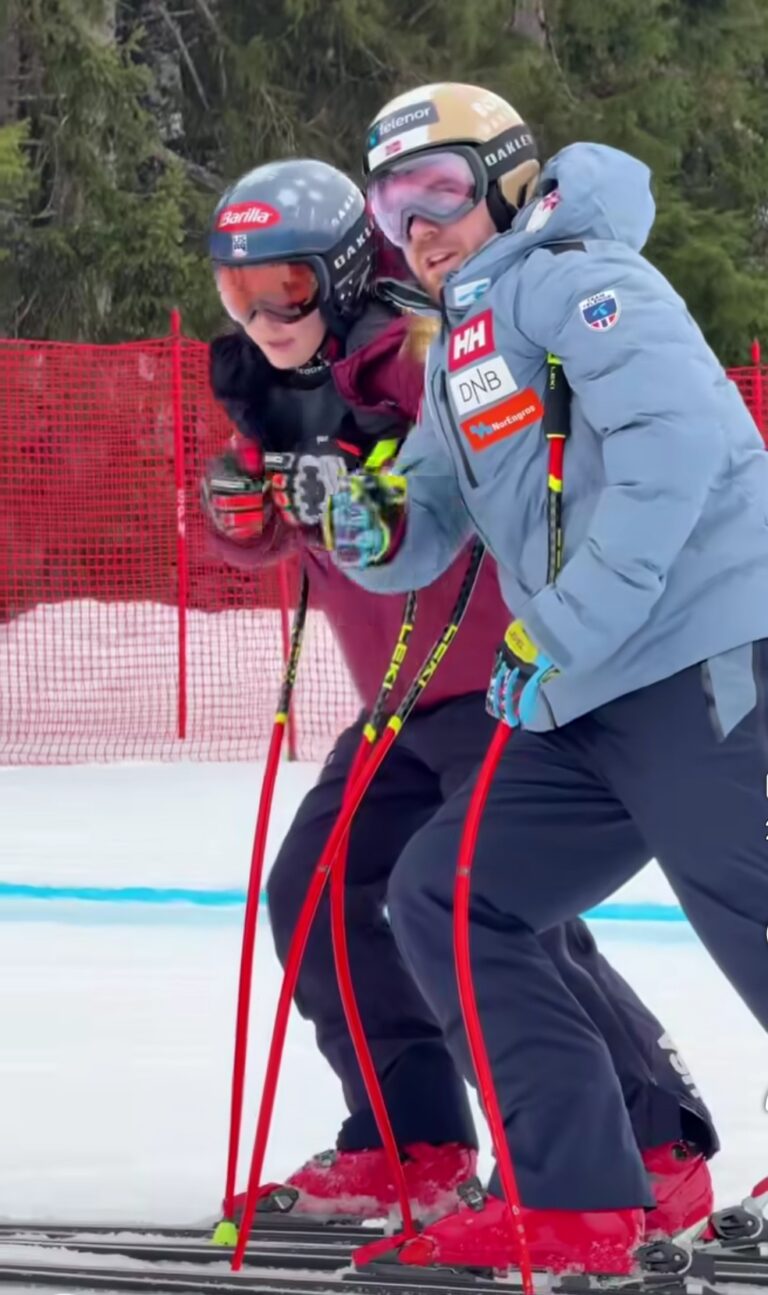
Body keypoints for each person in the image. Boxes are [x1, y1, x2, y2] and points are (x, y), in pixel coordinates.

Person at [202, 156, 718, 1232]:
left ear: (345, 271)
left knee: (496, 908)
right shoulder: (270, 387)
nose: (262, 319)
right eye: (237, 294)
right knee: (317, 891)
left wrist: (373, 464)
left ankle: (649, 1134)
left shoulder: (419, 350)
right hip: (396, 703)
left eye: (284, 289)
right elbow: (288, 531)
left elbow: (479, 472)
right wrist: (245, 516)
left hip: (497, 685)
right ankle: (413, 1137)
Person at [323, 81, 768, 1274]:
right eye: (392, 208)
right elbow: (431, 506)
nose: (419, 228)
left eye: (439, 191)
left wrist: (563, 623)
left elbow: (675, 449)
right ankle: (574, 1195)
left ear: (510, 181)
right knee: (452, 894)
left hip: (700, 652)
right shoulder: (467, 332)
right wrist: (376, 524)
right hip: (588, 687)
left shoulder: (583, 278)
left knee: (751, 900)